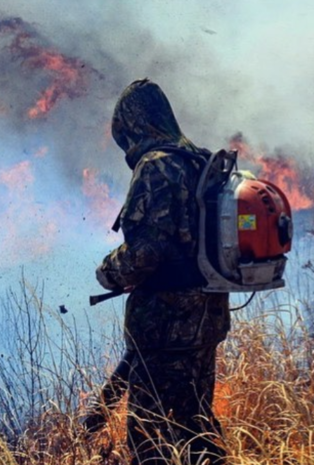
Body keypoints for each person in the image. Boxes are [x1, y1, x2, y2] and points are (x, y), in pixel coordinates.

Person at [87, 79, 230, 465]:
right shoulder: (199, 160)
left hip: (166, 324)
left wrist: (109, 271)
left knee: (149, 435)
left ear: (135, 124)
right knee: (195, 424)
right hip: (207, 315)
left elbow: (146, 253)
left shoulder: (156, 166)